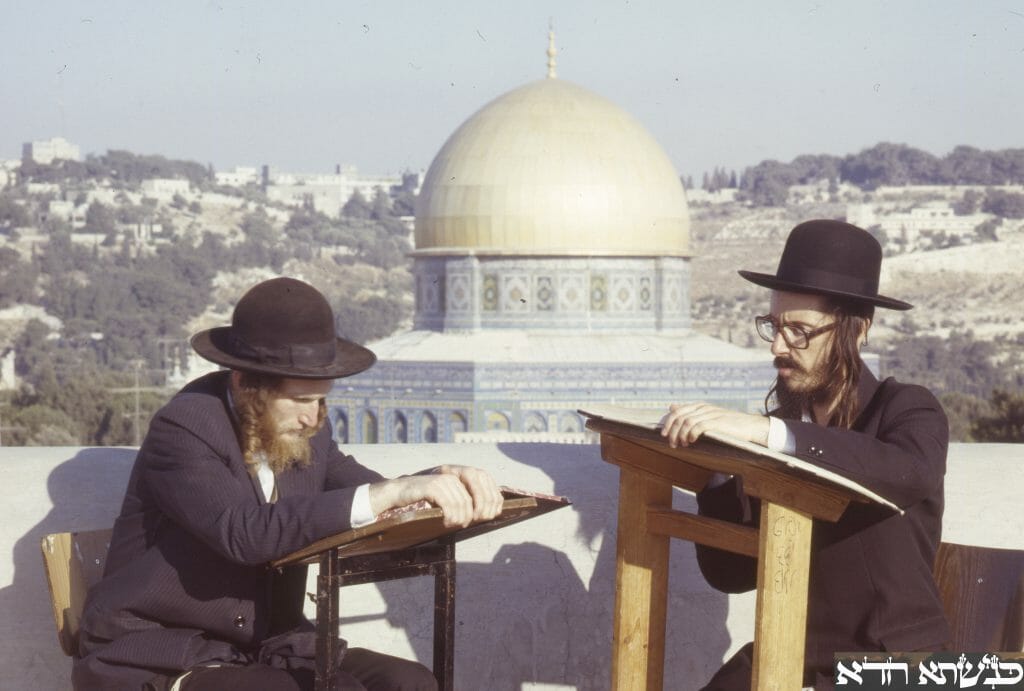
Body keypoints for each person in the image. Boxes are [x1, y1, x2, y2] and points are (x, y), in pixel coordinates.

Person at [74, 277, 505, 691]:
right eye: (300, 400)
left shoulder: (304, 429)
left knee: (410, 683)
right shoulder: (185, 426)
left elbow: (364, 491)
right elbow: (241, 533)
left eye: (321, 400)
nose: (313, 417)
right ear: (246, 385)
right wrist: (388, 494)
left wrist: (430, 483)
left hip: (263, 645)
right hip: (163, 649)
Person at [660, 220, 950, 691]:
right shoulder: (780, 433)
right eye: (774, 327)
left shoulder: (907, 409)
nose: (778, 347)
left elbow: (907, 470)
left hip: (898, 670)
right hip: (788, 658)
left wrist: (767, 432)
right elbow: (731, 575)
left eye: (799, 331)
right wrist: (713, 475)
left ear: (857, 331)